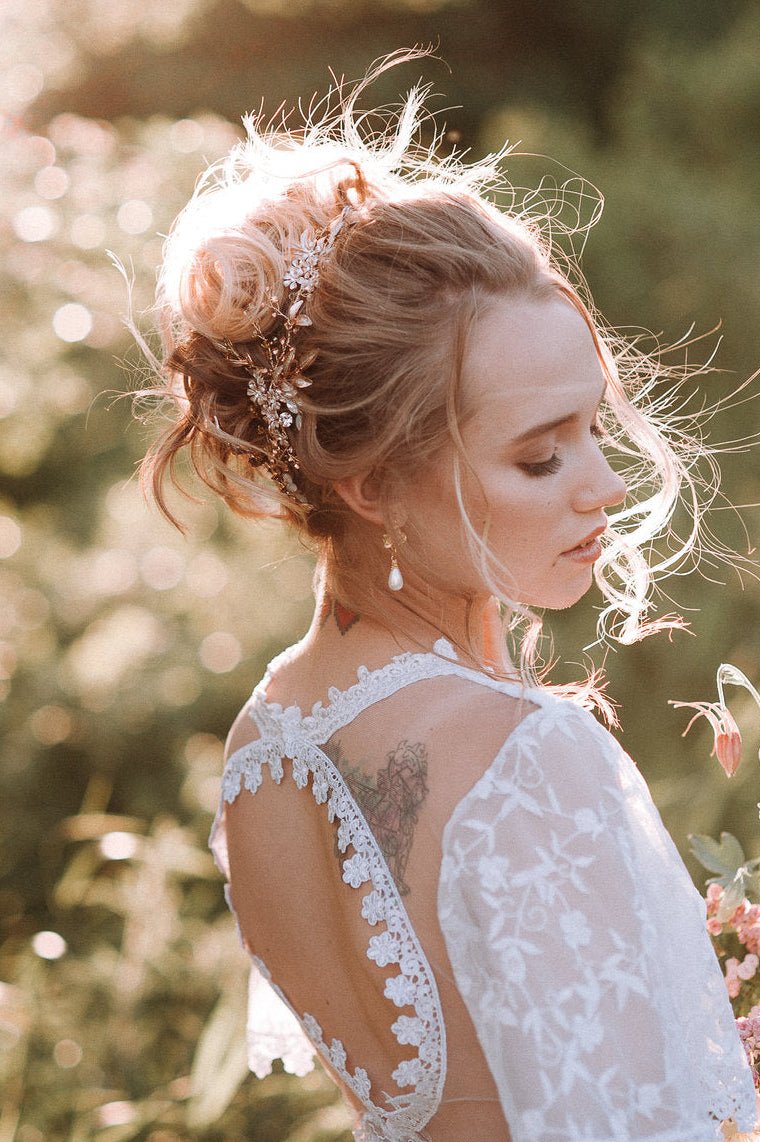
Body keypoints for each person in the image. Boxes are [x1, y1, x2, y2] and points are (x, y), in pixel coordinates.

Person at [137, 54, 758, 1142]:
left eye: (593, 428)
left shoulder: (262, 752)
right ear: (371, 481)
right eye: (537, 456)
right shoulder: (529, 755)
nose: (604, 484)